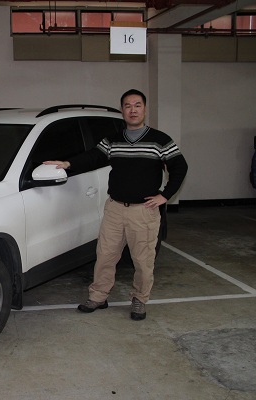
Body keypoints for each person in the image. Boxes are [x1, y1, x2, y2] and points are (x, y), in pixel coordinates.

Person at [44, 89, 188, 320]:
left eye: (137, 105)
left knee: (142, 261)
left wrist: (165, 195)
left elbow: (180, 166)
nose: (133, 110)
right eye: (128, 106)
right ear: (122, 110)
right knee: (105, 255)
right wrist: (68, 163)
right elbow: (93, 156)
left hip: (143, 211)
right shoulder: (113, 140)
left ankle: (139, 299)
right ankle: (98, 296)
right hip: (115, 208)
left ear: (144, 109)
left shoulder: (160, 140)